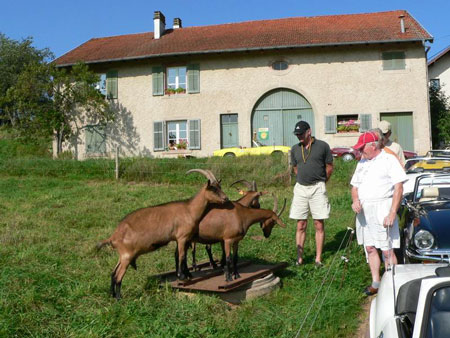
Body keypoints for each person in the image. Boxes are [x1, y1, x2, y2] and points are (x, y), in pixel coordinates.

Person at [350, 131, 407, 296]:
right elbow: (355, 187)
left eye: (362, 148)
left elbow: (399, 187)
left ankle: (394, 284)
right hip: (365, 213)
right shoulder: (362, 162)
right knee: (369, 247)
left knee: (387, 249)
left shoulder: (389, 159)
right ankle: (376, 281)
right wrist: (355, 200)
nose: (360, 152)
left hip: (383, 208)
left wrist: (392, 212)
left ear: (372, 145)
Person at [289, 121, 333, 267]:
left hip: (317, 188)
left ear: (309, 132)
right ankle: (299, 259)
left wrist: (321, 182)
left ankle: (318, 259)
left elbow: (329, 167)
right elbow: (295, 167)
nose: (299, 137)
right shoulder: (295, 149)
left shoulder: (322, 146)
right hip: (301, 188)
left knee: (318, 223)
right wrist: (304, 177)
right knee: (300, 224)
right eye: (297, 134)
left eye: (301, 134)